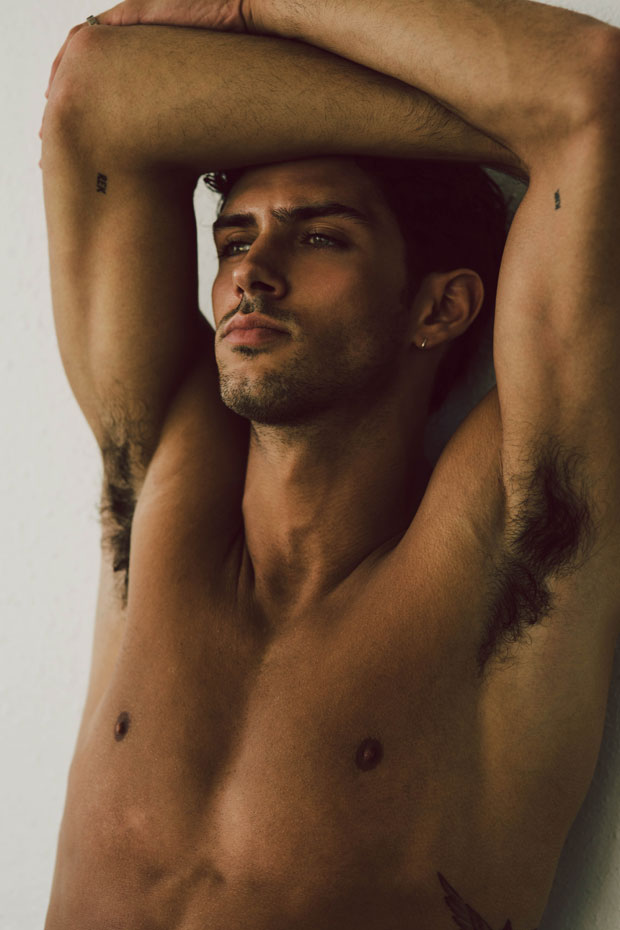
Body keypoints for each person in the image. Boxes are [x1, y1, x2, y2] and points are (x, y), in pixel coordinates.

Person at [40, 1, 620, 927]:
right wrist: (503, 139)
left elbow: (590, 91)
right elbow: (92, 92)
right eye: (234, 239)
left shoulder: (514, 547)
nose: (250, 274)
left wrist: (248, 5)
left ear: (438, 309)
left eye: (320, 237)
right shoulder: (156, 494)